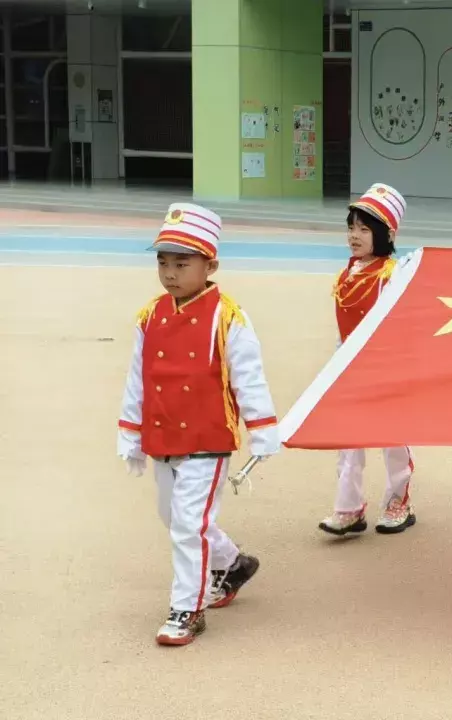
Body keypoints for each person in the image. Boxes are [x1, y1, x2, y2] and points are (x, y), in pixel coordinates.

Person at [117, 203, 280, 646]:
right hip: (163, 434)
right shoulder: (150, 315)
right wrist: (130, 431)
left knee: (189, 524)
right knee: (172, 516)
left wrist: (262, 429)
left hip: (207, 438)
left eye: (182, 263)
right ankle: (232, 564)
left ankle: (187, 609)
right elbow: (138, 377)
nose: (170, 273)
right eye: (163, 262)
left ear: (211, 265)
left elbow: (248, 375)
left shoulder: (228, 316)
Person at [320, 184, 417, 537]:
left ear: (387, 234)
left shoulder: (394, 274)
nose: (354, 236)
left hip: (386, 371)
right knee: (349, 441)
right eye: (351, 228)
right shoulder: (345, 275)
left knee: (393, 440)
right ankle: (349, 508)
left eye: (364, 229)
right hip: (351, 371)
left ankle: (398, 502)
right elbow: (344, 329)